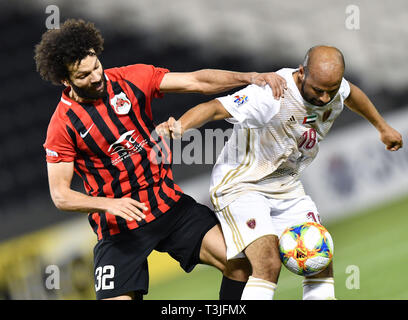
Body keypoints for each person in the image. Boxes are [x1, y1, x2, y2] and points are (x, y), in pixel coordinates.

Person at [34, 18, 287, 300]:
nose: (95, 77)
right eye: (83, 76)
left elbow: (196, 81)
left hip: (168, 206)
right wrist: (109, 204)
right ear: (65, 80)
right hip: (120, 230)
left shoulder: (130, 78)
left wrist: (250, 77)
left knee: (239, 264)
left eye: (96, 67)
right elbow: (61, 196)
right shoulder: (62, 125)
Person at [156, 45, 403, 300]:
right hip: (242, 185)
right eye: (318, 90)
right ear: (302, 72)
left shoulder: (332, 86)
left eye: (331, 90)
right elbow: (215, 107)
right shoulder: (271, 93)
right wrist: (182, 125)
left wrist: (382, 127)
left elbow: (351, 94)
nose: (325, 98)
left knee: (320, 259)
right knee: (267, 264)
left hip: (286, 185)